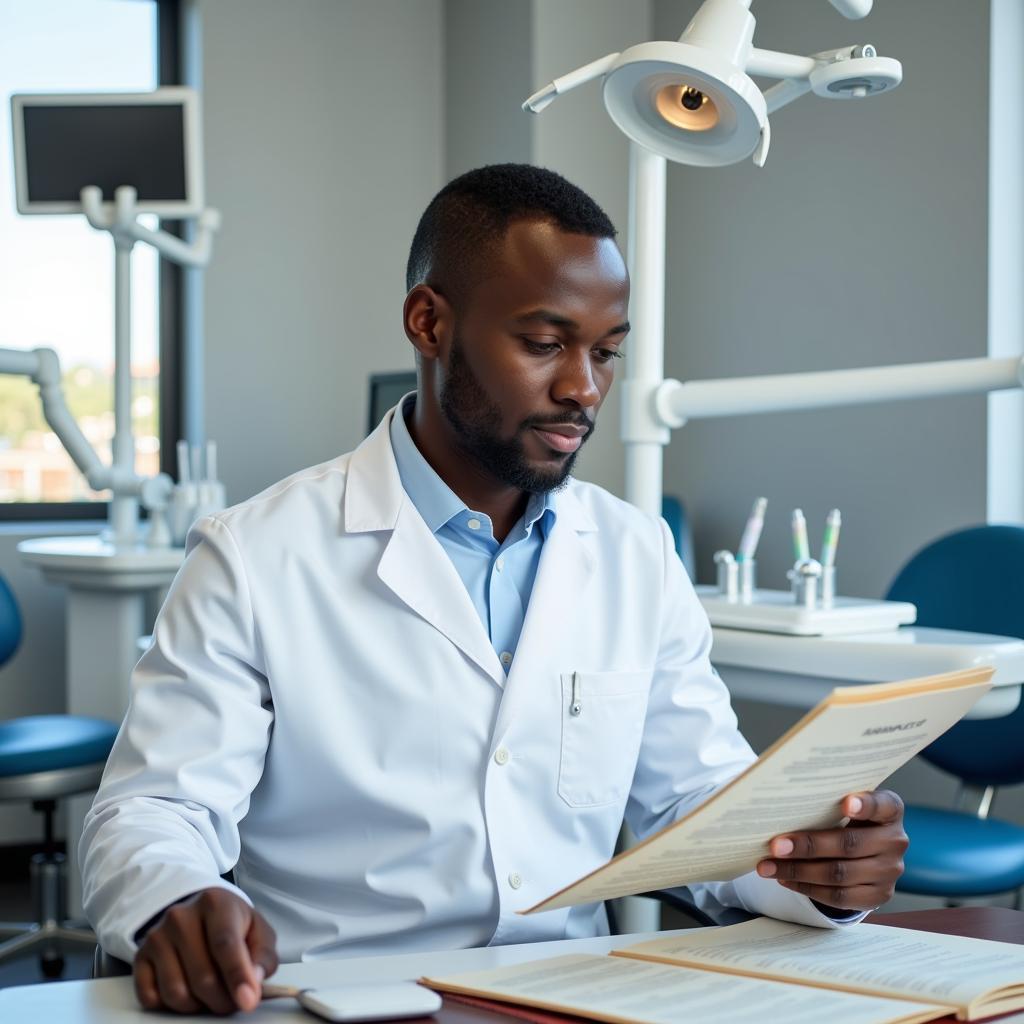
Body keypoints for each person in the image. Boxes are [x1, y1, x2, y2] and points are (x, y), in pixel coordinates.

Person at [81, 164, 907, 1016]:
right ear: (429, 323)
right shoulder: (255, 556)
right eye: (545, 343)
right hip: (341, 1000)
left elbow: (699, 807)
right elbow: (153, 811)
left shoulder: (634, 553)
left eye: (607, 351)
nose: (583, 388)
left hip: (575, 999)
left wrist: (815, 868)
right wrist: (175, 902)